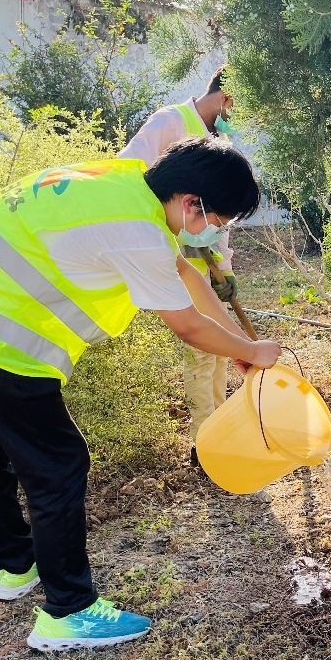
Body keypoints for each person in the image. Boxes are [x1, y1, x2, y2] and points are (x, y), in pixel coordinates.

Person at [0, 137, 282, 651]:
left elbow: (186, 274)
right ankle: (69, 612)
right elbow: (187, 326)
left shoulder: (123, 184)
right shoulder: (137, 231)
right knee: (58, 463)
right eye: (220, 219)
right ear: (192, 202)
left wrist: (240, 345)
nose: (218, 230)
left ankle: (17, 567)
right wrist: (254, 352)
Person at [122, 67, 241, 464]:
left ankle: (224, 429)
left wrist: (223, 268)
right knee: (202, 350)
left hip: (197, 259)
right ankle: (205, 443)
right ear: (225, 98)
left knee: (222, 352)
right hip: (163, 253)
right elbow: (130, 176)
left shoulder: (219, 141)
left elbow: (217, 222)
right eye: (242, 107)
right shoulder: (170, 123)